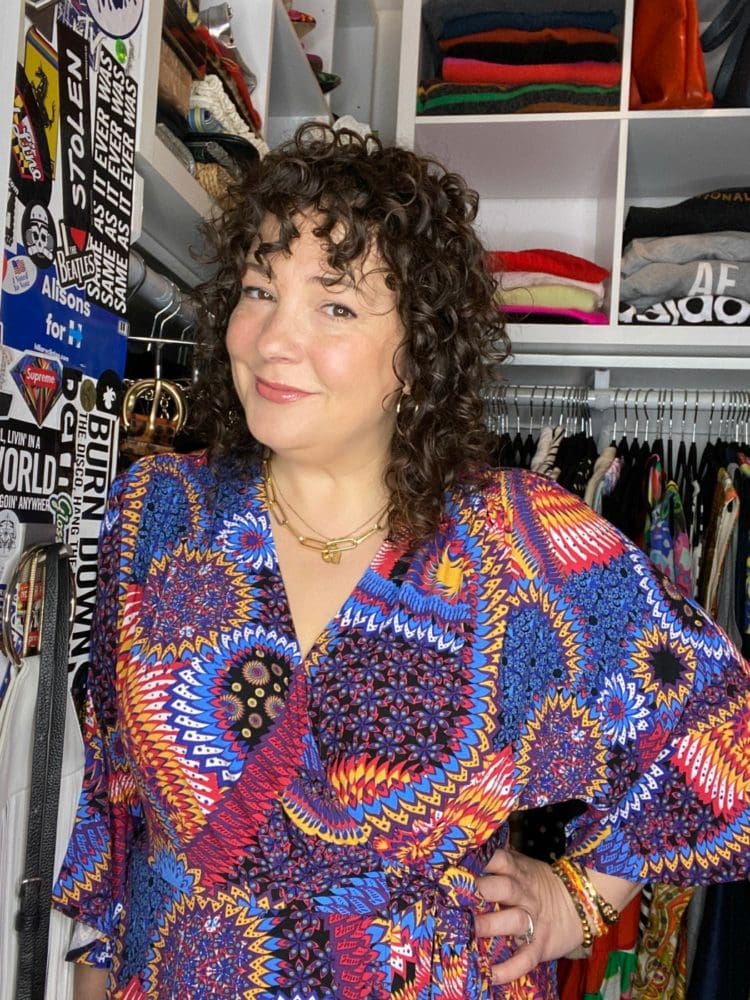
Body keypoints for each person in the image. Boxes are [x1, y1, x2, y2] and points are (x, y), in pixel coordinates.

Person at [53, 124, 750, 999]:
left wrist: (578, 897)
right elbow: (115, 800)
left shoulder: (515, 540)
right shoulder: (157, 510)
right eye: (259, 290)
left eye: (335, 306)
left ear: (418, 352)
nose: (273, 339)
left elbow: (718, 730)